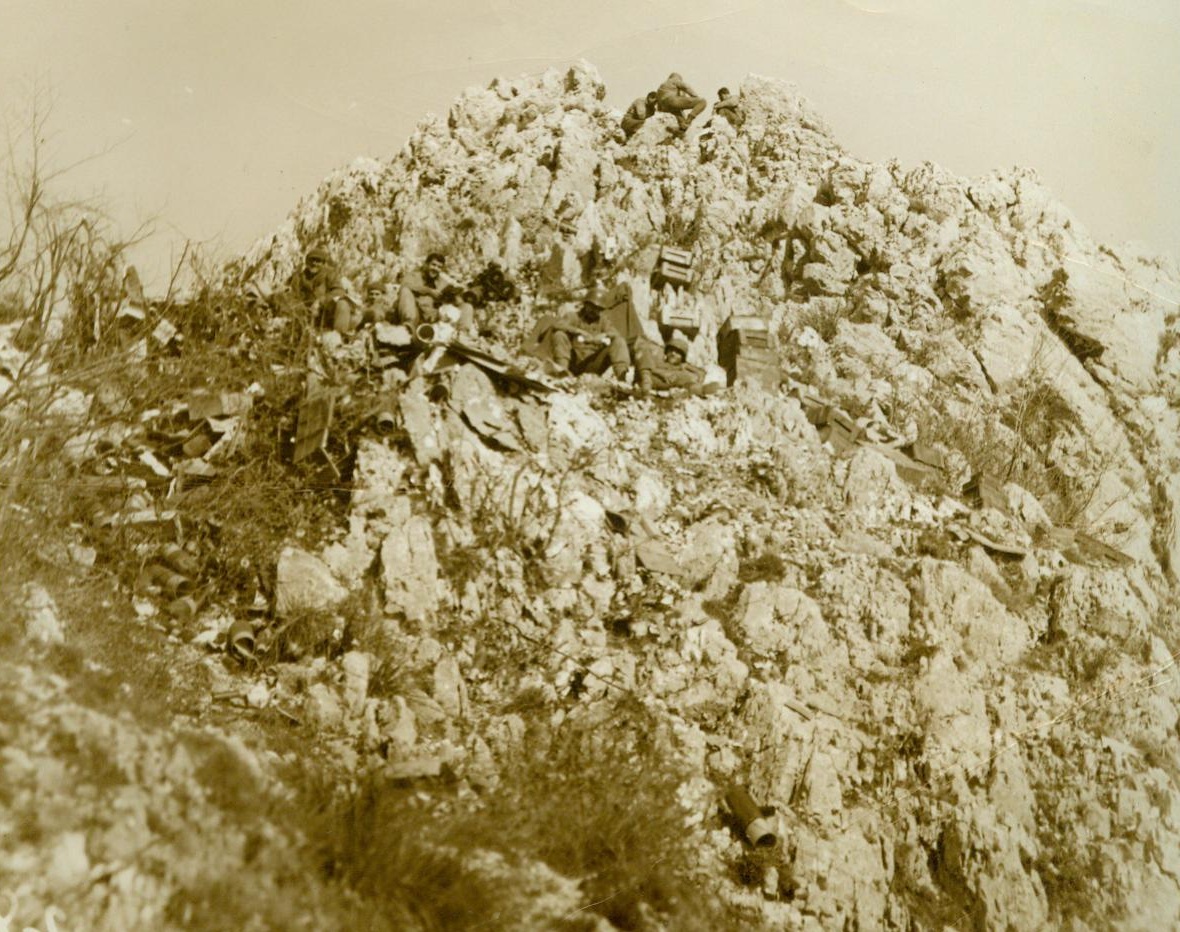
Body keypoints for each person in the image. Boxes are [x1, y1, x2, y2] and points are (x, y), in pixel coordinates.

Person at [533, 286, 633, 380]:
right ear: (585, 305)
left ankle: (621, 377)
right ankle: (562, 372)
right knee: (559, 334)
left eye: (598, 309)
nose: (594, 311)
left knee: (619, 341)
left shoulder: (603, 321)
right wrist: (578, 331)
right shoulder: (573, 316)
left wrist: (603, 335)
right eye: (592, 307)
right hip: (573, 361)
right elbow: (558, 325)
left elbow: (616, 334)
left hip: (592, 363)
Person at [287, 246, 362, 334]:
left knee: (343, 303)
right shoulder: (299, 277)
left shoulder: (330, 274)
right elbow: (293, 296)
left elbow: (339, 291)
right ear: (306, 262)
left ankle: (338, 335)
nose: (314, 263)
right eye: (312, 260)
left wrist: (320, 301)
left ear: (323, 263)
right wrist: (303, 309)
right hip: (307, 314)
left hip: (327, 312)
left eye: (318, 261)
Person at [397, 253, 474, 331]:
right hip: (416, 314)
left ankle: (462, 333)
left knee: (467, 306)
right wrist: (429, 291)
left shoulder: (442, 281)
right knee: (405, 291)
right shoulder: (414, 276)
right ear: (426, 264)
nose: (435, 268)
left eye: (439, 267)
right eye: (433, 265)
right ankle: (409, 327)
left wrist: (455, 297)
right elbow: (405, 285)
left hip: (435, 317)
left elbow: (454, 298)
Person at [638, 332, 718, 395]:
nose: (673, 354)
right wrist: (662, 373)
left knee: (688, 377)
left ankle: (700, 390)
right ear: (666, 352)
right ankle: (645, 391)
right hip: (651, 379)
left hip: (671, 381)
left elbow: (701, 373)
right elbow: (647, 367)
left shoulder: (681, 367)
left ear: (682, 358)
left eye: (677, 353)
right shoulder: (660, 360)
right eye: (670, 351)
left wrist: (688, 367)